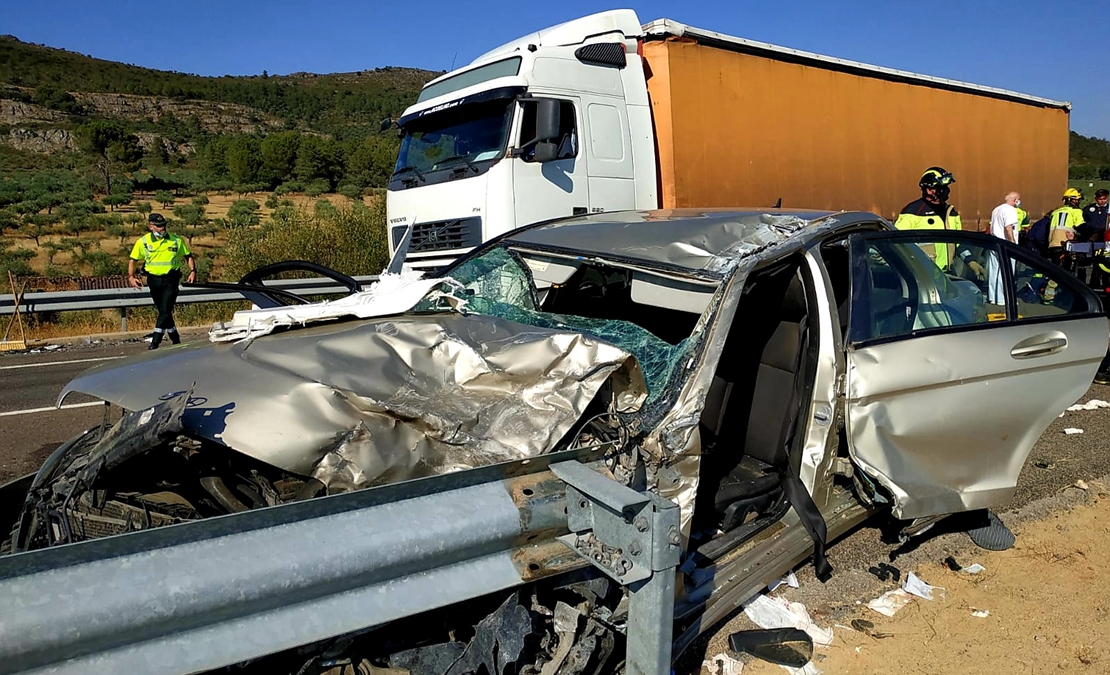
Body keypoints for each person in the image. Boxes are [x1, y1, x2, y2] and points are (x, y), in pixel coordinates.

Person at [128, 212, 196, 349]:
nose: (162, 228)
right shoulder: (143, 242)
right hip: (153, 280)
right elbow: (133, 260)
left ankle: (155, 341)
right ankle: (175, 338)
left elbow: (188, 256)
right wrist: (131, 276)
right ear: (151, 227)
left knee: (165, 310)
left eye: (163, 225)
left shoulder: (176, 240)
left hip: (171, 280)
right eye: (158, 226)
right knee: (163, 310)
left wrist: (193, 271)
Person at [894, 167, 963, 270]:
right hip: (924, 276)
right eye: (942, 188)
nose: (947, 191)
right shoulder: (913, 212)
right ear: (930, 190)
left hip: (947, 275)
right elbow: (897, 245)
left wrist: (971, 261)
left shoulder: (951, 212)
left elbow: (959, 244)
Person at [987, 192, 1020, 304]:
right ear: (1015, 200)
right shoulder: (1011, 210)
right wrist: (1012, 242)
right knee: (1007, 271)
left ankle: (993, 297)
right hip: (1005, 244)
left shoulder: (996, 209)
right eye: (1018, 200)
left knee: (994, 270)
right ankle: (1004, 298)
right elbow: (1008, 227)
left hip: (994, 242)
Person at [1047, 188, 1085, 269]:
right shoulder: (1076, 211)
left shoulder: (1055, 212)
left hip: (1052, 245)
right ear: (1073, 200)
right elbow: (1082, 228)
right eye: (1077, 200)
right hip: (1067, 245)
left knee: (1055, 271)